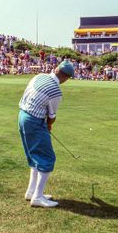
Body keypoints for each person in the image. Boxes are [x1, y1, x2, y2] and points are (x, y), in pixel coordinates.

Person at [18, 60, 74, 208]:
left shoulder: (39, 76)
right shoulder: (56, 91)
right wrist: (48, 125)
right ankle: (37, 197)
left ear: (56, 69)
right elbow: (52, 116)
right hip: (34, 121)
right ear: (66, 77)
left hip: (22, 116)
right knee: (47, 158)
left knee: (35, 157)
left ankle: (31, 192)